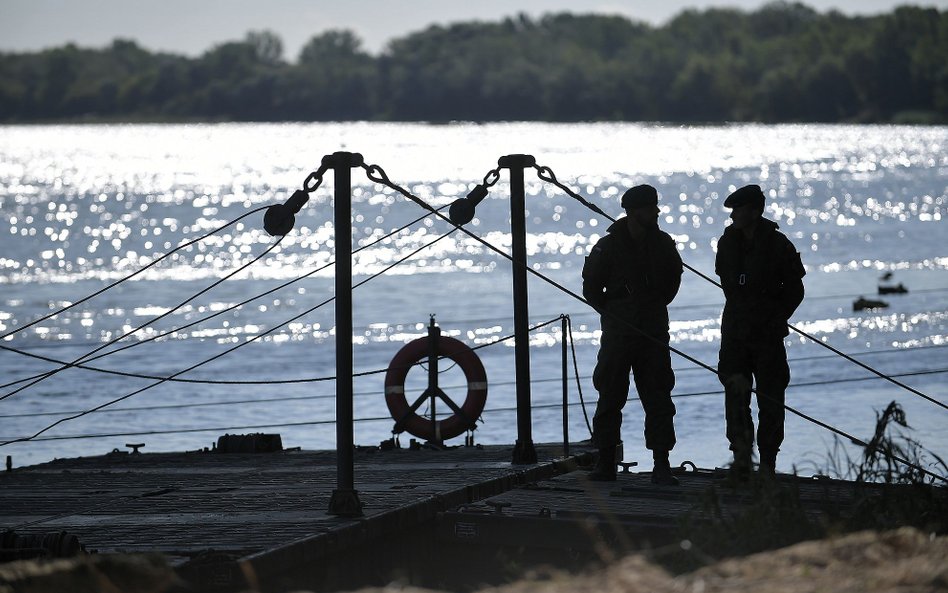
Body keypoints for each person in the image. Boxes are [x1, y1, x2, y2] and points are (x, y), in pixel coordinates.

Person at [582, 184, 683, 485]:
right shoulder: (608, 246)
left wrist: (650, 306)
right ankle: (605, 461)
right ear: (634, 212)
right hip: (618, 334)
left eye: (655, 207)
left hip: (652, 333)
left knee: (658, 397)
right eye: (650, 208)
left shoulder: (663, 243)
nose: (656, 212)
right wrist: (615, 312)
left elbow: (672, 282)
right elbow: (590, 289)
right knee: (610, 395)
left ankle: (661, 464)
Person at [715, 184, 805, 479]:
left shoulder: (779, 245)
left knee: (771, 399)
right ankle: (741, 460)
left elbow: (795, 290)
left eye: (739, 210)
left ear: (754, 211)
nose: (734, 216)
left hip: (767, 336)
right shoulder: (727, 243)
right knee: (736, 399)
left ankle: (768, 462)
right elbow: (728, 283)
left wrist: (774, 317)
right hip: (735, 334)